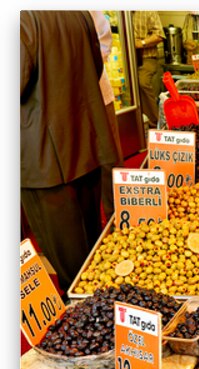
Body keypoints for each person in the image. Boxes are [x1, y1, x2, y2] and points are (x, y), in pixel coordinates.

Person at [21, 11, 119, 290]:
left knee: (69, 263)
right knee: (90, 241)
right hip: (83, 142)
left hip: (43, 156)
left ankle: (89, 312)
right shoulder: (78, 12)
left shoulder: (22, 18)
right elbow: (96, 68)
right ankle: (100, 300)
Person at [90, 10, 124, 222]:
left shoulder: (88, 10)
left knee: (108, 159)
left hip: (98, 94)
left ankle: (118, 216)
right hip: (59, 101)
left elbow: (104, 43)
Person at [133, 11, 165, 129]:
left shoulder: (148, 10)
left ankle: (155, 123)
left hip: (146, 57)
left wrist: (141, 43)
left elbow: (159, 35)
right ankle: (137, 123)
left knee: (142, 82)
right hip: (126, 59)